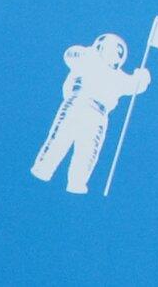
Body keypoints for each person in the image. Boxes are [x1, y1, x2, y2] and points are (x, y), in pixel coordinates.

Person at [30, 33, 151, 195]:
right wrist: (86, 53)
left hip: (99, 114)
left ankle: (77, 183)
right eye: (111, 48)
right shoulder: (88, 59)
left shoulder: (118, 77)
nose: (114, 53)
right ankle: (43, 169)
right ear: (101, 47)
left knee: (87, 151)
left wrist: (142, 78)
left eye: (118, 52)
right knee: (60, 138)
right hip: (77, 102)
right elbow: (70, 55)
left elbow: (134, 85)